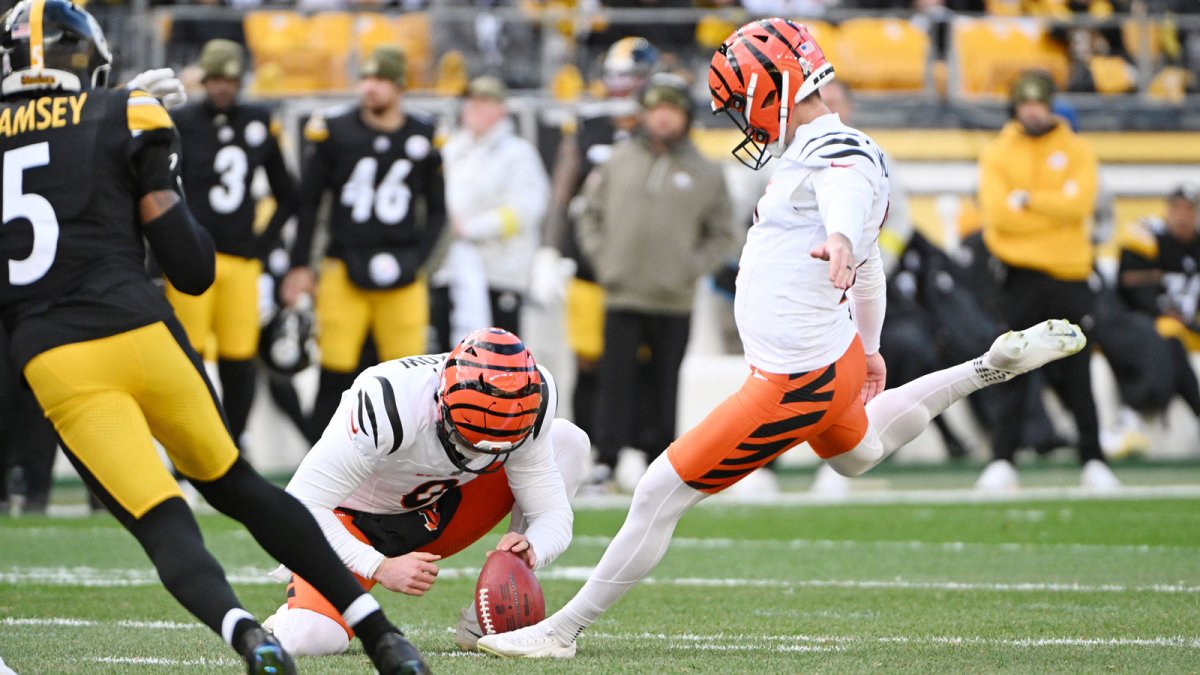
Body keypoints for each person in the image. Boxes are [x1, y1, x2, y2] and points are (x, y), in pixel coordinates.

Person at [475, 18, 1086, 659]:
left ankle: (559, 632)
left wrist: (844, 236)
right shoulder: (833, 147)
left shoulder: (837, 152)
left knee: (660, 491)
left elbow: (846, 199)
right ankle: (987, 366)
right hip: (834, 358)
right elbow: (871, 264)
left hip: (796, 377)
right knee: (858, 452)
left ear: (776, 87)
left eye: (742, 99)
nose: (740, 116)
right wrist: (871, 345)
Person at [0, 3, 427, 673]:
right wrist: (155, 157)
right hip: (139, 326)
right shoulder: (127, 115)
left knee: (160, 517)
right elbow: (193, 269)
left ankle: (247, 636)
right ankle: (382, 635)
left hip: (54, 354)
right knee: (237, 483)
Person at [264, 327, 588, 656]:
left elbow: (551, 512)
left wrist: (532, 548)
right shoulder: (389, 403)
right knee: (310, 639)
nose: (478, 455)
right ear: (441, 402)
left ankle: (491, 620)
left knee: (567, 441)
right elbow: (296, 510)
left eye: (496, 449)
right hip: (352, 521)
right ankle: (288, 617)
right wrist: (379, 566)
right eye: (467, 441)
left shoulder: (530, 399)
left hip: (439, 509)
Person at [281, 46, 446, 444]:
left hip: (403, 267)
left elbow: (438, 210)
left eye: (381, 80)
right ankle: (322, 460)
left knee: (411, 377)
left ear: (399, 86)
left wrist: (420, 262)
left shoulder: (424, 134)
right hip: (343, 264)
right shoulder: (334, 130)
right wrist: (301, 264)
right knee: (336, 370)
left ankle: (408, 464)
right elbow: (310, 203)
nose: (370, 88)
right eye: (366, 78)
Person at [578, 71, 736, 486]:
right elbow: (588, 215)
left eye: (672, 110)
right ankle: (607, 458)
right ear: (643, 113)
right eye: (655, 109)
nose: (663, 118)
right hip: (621, 293)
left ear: (686, 116)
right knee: (615, 381)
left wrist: (688, 268)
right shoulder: (618, 160)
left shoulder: (706, 171)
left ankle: (660, 462)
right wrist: (605, 261)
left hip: (673, 298)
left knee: (665, 383)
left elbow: (723, 233)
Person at [974, 69, 1119, 492]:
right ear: (1016, 107)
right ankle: (1003, 459)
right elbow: (998, 215)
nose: (1033, 110)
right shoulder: (999, 152)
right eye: (1025, 103)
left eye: (1039, 102)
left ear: (1051, 105)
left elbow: (1080, 206)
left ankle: (1093, 459)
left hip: (1069, 274)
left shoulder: (1076, 149)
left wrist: (1029, 201)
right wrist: (1048, 212)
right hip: (1019, 275)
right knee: (1012, 365)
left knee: (1077, 370)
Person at [167, 39, 298, 448]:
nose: (223, 87)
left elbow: (289, 192)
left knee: (239, 361)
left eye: (230, 79)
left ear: (240, 80)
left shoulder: (260, 121)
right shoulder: (183, 122)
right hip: (193, 258)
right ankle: (189, 447)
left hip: (243, 260)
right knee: (188, 360)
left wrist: (263, 243)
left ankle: (232, 442)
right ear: (205, 80)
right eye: (216, 78)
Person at [529, 35, 659, 439]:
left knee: (640, 362)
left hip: (642, 266)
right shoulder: (590, 127)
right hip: (589, 263)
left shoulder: (660, 129)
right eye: (615, 76)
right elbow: (562, 192)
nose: (621, 85)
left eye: (630, 76)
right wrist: (549, 250)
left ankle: (635, 448)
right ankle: (589, 450)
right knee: (588, 361)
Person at [431, 76, 550, 350]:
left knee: (498, 358)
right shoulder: (451, 150)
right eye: (472, 101)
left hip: (499, 272)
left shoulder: (518, 154)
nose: (475, 108)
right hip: (451, 269)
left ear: (501, 110)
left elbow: (526, 210)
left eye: (485, 102)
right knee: (446, 357)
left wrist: (472, 228)